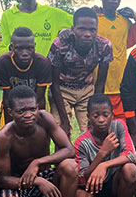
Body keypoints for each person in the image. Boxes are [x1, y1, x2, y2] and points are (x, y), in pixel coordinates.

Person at [0, 86, 77, 197]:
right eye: (21, 111)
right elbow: (3, 179)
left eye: (32, 109)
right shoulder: (4, 136)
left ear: (38, 107)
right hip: (18, 182)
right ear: (10, 112)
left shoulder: (45, 119)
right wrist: (37, 181)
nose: (28, 115)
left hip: (46, 176)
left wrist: (38, 162)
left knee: (70, 166)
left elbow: (69, 150)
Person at [72, 94, 136, 197]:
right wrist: (101, 154)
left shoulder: (118, 126)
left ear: (112, 115)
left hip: (113, 184)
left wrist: (104, 165)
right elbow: (83, 179)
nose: (101, 120)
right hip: (90, 188)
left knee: (131, 169)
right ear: (88, 116)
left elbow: (131, 155)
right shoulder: (81, 142)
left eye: (105, 115)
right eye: (96, 116)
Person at [48, 7, 113, 137]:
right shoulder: (60, 45)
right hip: (62, 90)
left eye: (92, 30)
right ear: (73, 29)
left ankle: (91, 157)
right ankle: (62, 157)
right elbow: (53, 83)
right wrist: (65, 122)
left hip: (86, 89)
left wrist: (96, 108)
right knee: (62, 132)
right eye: (82, 29)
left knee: (92, 131)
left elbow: (100, 82)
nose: (87, 34)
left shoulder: (104, 46)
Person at [0, 0, 73, 56]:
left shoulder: (53, 13)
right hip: (19, 68)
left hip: (46, 68)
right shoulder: (8, 15)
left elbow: (82, 25)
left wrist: (66, 31)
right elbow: (2, 50)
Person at [0, 26, 52, 125]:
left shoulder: (42, 63)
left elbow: (40, 99)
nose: (25, 53)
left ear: (34, 46)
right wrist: (12, 127)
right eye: (19, 49)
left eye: (29, 48)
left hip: (35, 105)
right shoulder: (2, 63)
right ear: (12, 47)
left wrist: (38, 125)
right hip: (13, 106)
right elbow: (7, 98)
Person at [96, 0, 132, 120]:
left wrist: (135, 15)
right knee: (100, 126)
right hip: (98, 84)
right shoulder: (94, 20)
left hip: (121, 84)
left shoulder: (125, 21)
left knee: (122, 127)